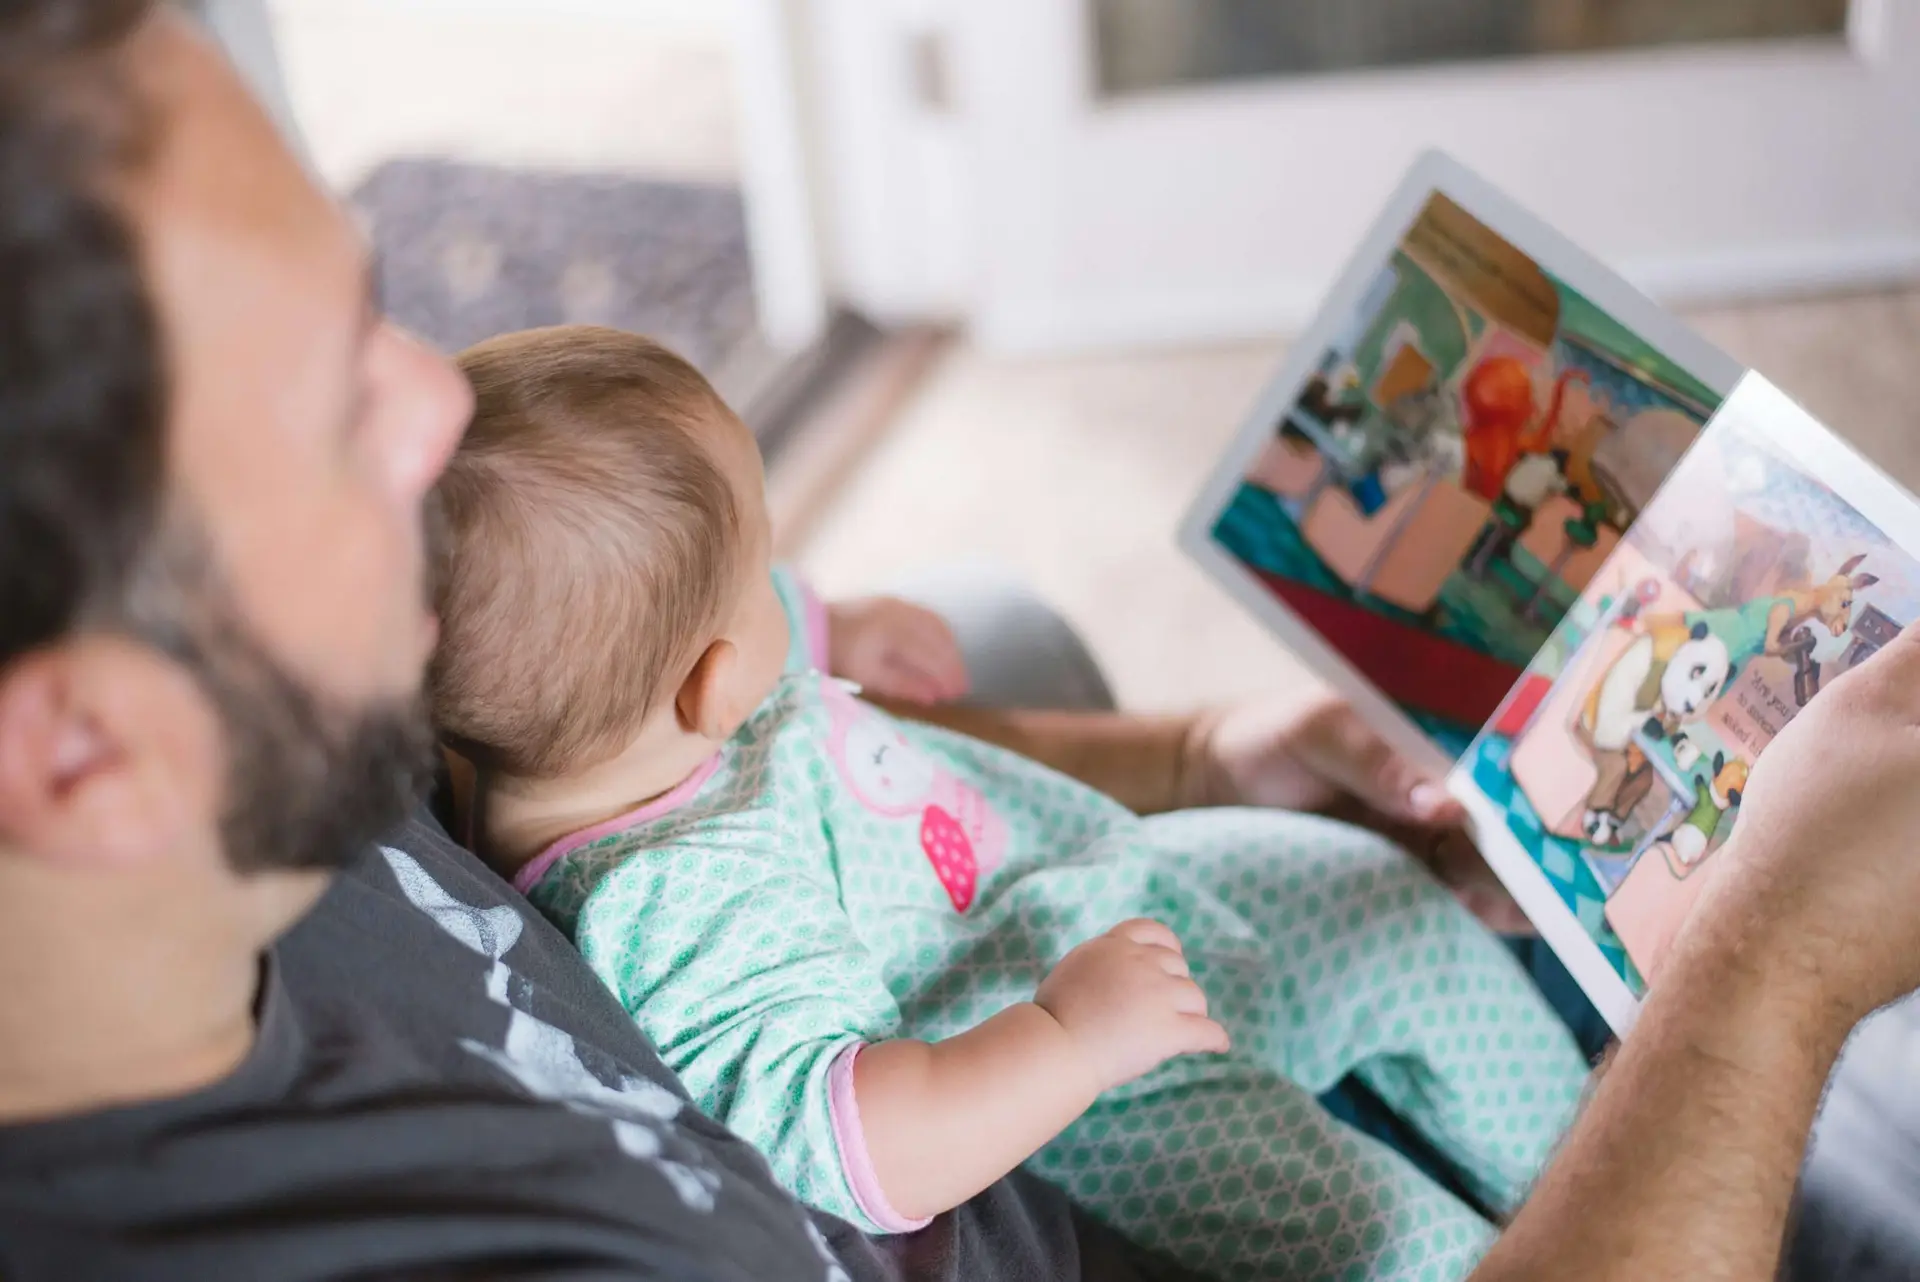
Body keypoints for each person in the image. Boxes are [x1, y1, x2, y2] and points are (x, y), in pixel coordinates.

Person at [1, 5, 1917, 1280]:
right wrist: (1773, 969)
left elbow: (786, 750)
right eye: (337, 406)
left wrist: (1186, 753)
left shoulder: (326, 702)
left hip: (1131, 922)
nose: (438, 407)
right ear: (83, 753)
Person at [428, 326, 1587, 1279]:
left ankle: (1589, 1165)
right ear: (714, 682)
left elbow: (714, 619)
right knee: (1388, 1245)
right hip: (1107, 1085)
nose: (785, 582)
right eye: (764, 567)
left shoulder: (620, 714)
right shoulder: (678, 902)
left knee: (1381, 895)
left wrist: (834, 623)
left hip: (1102, 879)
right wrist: (1068, 1039)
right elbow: (854, 1141)